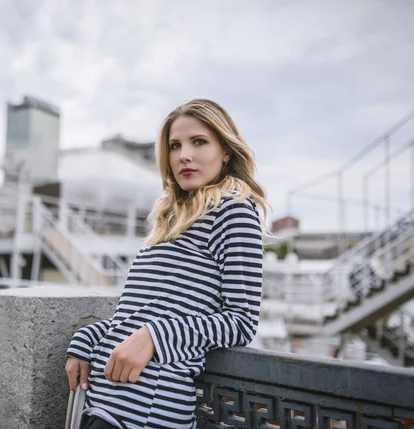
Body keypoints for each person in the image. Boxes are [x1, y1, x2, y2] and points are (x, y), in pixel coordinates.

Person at [65, 98, 267, 429]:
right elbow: (136, 318)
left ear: (226, 151)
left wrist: (157, 336)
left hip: (147, 413)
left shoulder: (235, 213)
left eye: (198, 142)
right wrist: (87, 340)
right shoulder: (168, 221)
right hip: (103, 403)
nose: (183, 154)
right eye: (175, 145)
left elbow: (241, 322)